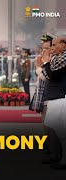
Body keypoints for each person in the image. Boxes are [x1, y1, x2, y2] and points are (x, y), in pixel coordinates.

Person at [41, 36, 66, 170]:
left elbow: (53, 76)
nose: (52, 48)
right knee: (59, 131)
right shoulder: (58, 58)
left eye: (54, 45)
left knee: (62, 132)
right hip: (56, 97)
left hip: (61, 97)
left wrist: (46, 63)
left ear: (63, 45)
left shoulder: (64, 58)